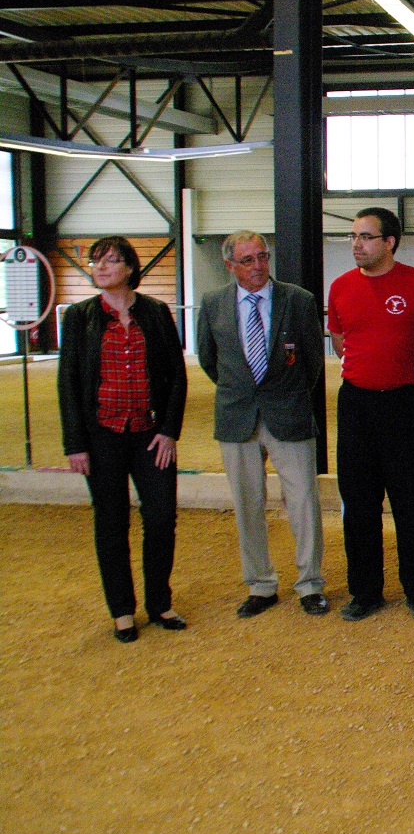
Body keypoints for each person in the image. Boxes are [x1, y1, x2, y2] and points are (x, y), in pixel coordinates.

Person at [58, 236, 188, 642]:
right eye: (97, 262)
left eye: (111, 261)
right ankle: (122, 611)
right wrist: (75, 443)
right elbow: (69, 383)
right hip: (102, 438)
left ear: (130, 268)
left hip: (151, 437)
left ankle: (159, 603)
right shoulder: (80, 318)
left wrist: (169, 430)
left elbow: (175, 378)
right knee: (111, 523)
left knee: (162, 517)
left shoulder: (155, 312)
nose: (101, 268)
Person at [197, 230, 329, 617]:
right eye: (248, 260)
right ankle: (260, 583)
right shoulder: (212, 303)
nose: (258, 266)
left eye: (262, 257)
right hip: (236, 416)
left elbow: (312, 363)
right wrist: (241, 390)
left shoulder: (298, 300)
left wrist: (286, 395)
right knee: (247, 503)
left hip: (288, 414)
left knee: (304, 500)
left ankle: (310, 583)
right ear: (229, 265)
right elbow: (210, 359)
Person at [326, 207, 414, 622]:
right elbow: (340, 343)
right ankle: (366, 592)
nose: (356, 245)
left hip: (403, 405)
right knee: (358, 503)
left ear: (389, 242)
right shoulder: (339, 288)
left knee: (409, 504)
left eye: (365, 237)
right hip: (355, 405)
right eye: (353, 237)